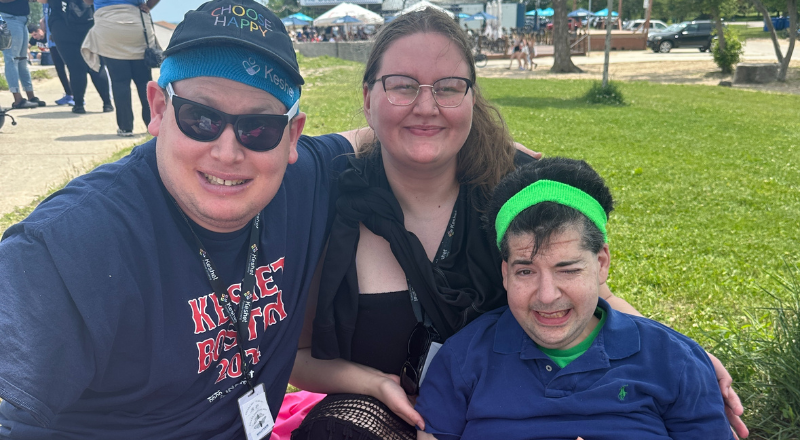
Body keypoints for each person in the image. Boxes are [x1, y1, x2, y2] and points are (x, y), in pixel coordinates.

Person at [291, 8, 748, 440]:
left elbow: (590, 289)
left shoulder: (510, 190)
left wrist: (683, 353)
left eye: (448, 87)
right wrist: (373, 384)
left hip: (515, 411)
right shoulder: (335, 207)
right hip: (388, 411)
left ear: (471, 97)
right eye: (402, 86)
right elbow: (294, 355)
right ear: (368, 98)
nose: (426, 106)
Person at [0, 0, 355, 437]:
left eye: (259, 127)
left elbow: (392, 134)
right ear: (159, 109)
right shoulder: (67, 249)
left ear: (292, 137)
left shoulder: (302, 179)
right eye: (200, 118)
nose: (228, 152)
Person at [415, 158, 734, 440]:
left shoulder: (674, 362)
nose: (547, 295)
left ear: (601, 263)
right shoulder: (464, 358)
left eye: (567, 270)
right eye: (526, 272)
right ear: (505, 273)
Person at [81, 0, 159, 136]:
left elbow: (87, 2)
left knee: (119, 82)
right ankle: (152, 124)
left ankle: (125, 127)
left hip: (108, 24)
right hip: (137, 23)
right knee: (144, 82)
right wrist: (149, 6)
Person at [47, 0, 113, 114]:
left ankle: (79, 105)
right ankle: (107, 103)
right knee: (96, 65)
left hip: (62, 24)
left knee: (75, 68)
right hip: (89, 22)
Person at [1, 0, 46, 109]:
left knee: (22, 59)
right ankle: (18, 99)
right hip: (9, 18)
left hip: (22, 19)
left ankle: (31, 96)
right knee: (12, 58)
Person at [38, 0, 74, 105]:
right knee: (59, 68)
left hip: (60, 36)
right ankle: (69, 93)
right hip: (51, 40)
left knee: (71, 66)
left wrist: (56, 32)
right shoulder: (45, 4)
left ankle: (76, 95)